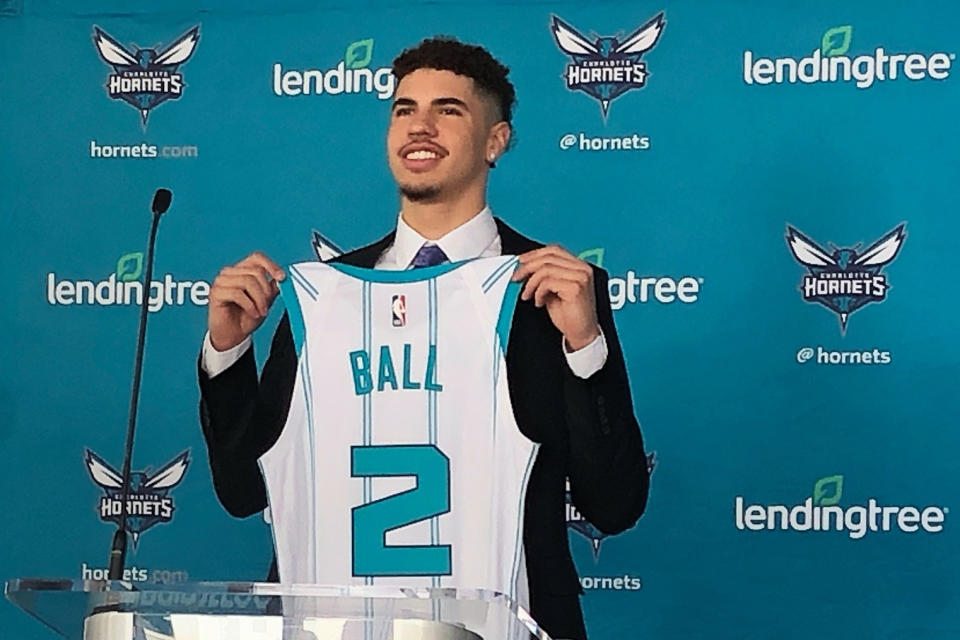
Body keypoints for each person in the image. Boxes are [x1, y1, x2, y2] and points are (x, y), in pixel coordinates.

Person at [198, 37, 649, 640]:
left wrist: (585, 347)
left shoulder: (555, 292)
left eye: (449, 110)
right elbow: (243, 490)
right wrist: (228, 355)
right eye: (404, 109)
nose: (421, 126)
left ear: (496, 141)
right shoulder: (326, 297)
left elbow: (614, 504)